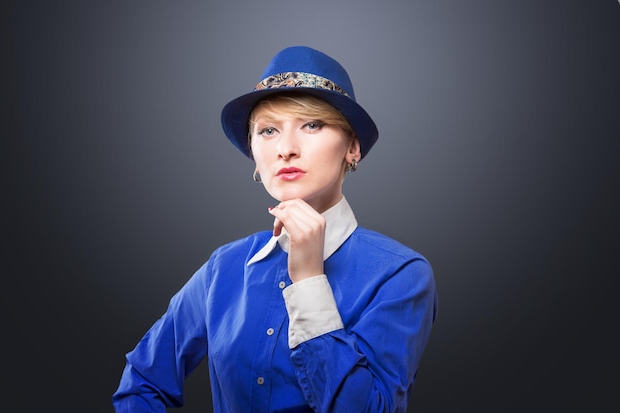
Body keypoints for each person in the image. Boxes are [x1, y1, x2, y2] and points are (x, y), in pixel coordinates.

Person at [113, 45, 438, 412]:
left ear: (353, 147)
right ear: (253, 154)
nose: (286, 148)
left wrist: (309, 282)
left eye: (312, 125)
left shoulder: (400, 275)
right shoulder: (225, 267)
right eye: (268, 130)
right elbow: (142, 379)